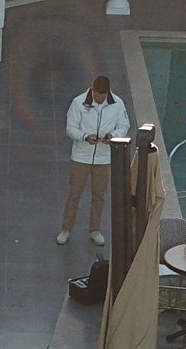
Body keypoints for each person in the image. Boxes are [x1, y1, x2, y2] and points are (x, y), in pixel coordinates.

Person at [59, 75, 129, 247]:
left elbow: (124, 126)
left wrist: (113, 136)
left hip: (104, 158)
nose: (100, 99)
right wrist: (84, 137)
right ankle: (66, 229)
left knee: (99, 195)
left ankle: (94, 230)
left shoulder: (118, 104)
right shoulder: (78, 103)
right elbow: (70, 128)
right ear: (93, 90)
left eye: (103, 96)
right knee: (74, 194)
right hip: (81, 157)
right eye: (98, 95)